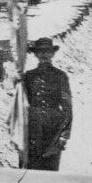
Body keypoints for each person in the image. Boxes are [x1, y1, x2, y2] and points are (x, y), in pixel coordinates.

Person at [21, 37, 73, 171]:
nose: (44, 55)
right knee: (31, 164)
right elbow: (21, 101)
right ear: (36, 55)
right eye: (40, 52)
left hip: (53, 126)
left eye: (47, 52)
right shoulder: (29, 76)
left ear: (53, 54)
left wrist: (64, 135)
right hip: (32, 125)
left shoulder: (60, 76)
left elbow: (67, 106)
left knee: (50, 164)